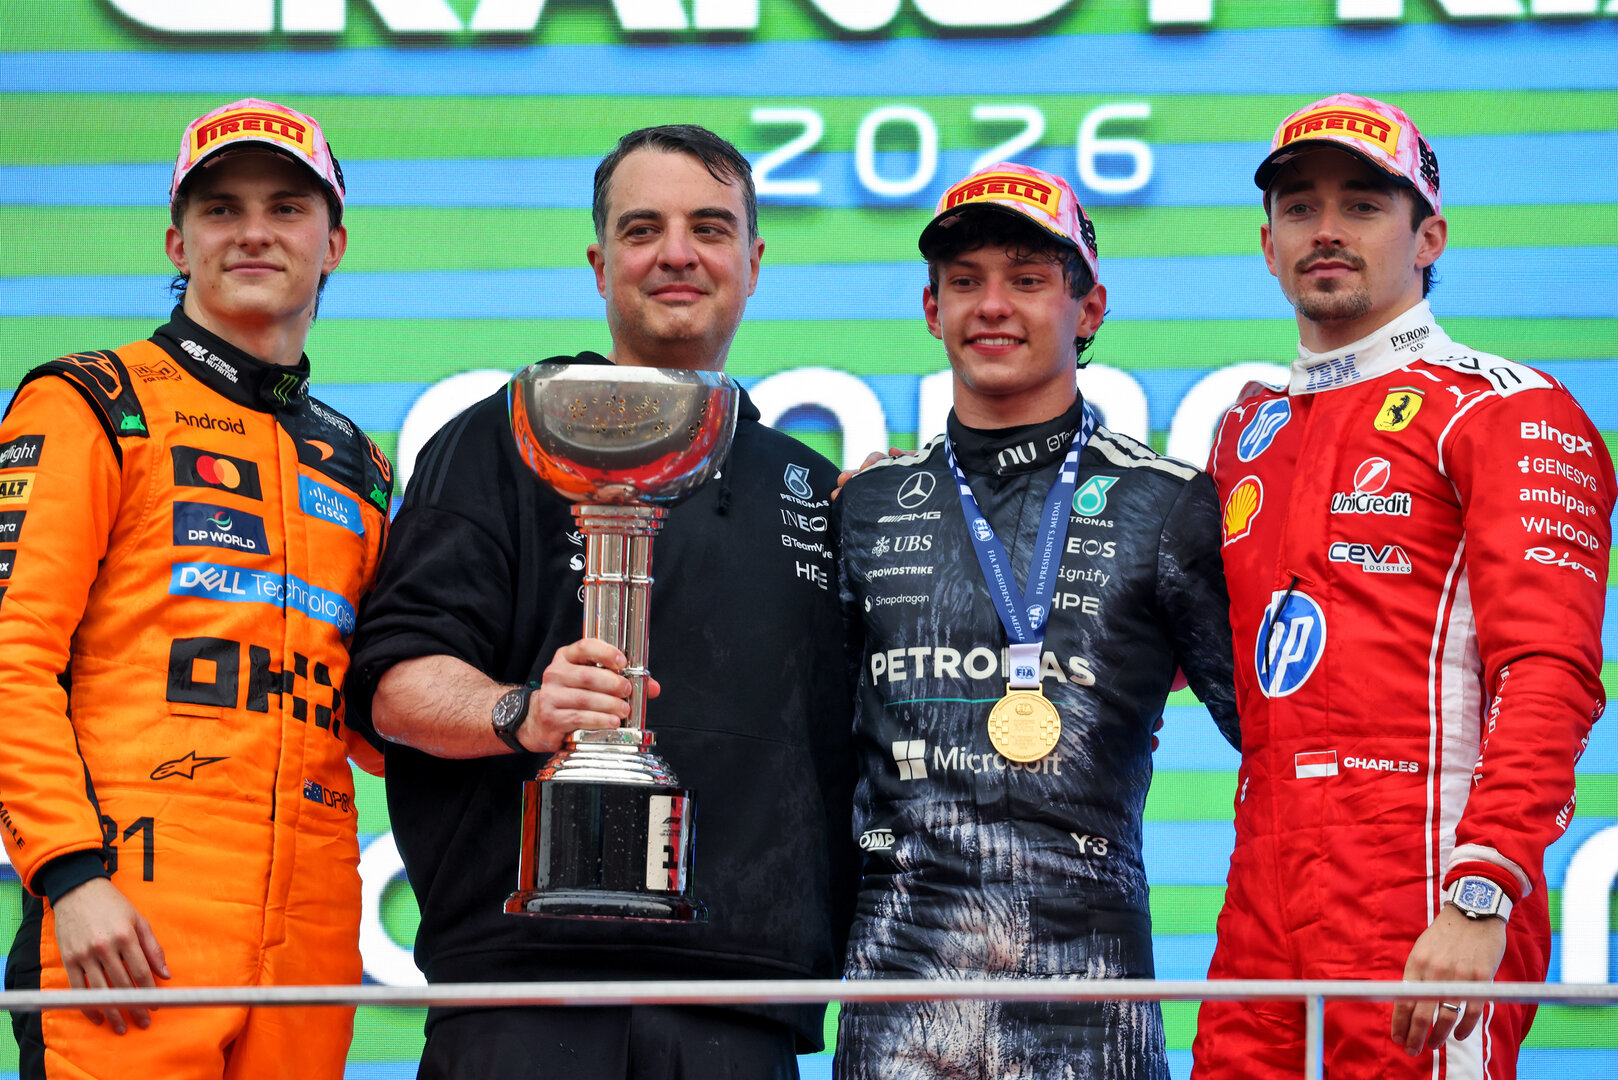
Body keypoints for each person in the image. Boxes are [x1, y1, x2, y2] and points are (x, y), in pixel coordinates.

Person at [343, 125, 856, 1080]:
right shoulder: (498, 439)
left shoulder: (811, 487)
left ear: (753, 261)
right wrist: (520, 711)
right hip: (524, 1000)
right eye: (642, 228)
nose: (675, 254)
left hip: (739, 1007)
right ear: (598, 260)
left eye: (708, 228)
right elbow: (395, 686)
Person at [1193, 94, 1614, 1078]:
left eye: (1363, 206)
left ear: (1428, 235)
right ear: (1265, 244)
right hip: (1261, 889)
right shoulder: (1244, 428)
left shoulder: (1502, 409)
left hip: (1422, 878)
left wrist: (1482, 889)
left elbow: (1549, 670)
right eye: (1299, 208)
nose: (1326, 230)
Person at [0, 99, 391, 1079]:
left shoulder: (355, 463)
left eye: (286, 207)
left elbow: (376, 719)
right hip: (127, 920)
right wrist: (69, 876)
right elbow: (9, 656)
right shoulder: (93, 402)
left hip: (312, 941)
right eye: (221, 209)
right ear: (178, 240)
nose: (254, 229)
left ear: (334, 242)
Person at [832, 161, 1241, 1080]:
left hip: (1093, 1015)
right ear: (931, 309)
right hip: (899, 1009)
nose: (992, 306)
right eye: (965, 282)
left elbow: (1277, 735)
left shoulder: (1168, 507)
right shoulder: (866, 506)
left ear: (1088, 308)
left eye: (1026, 279)